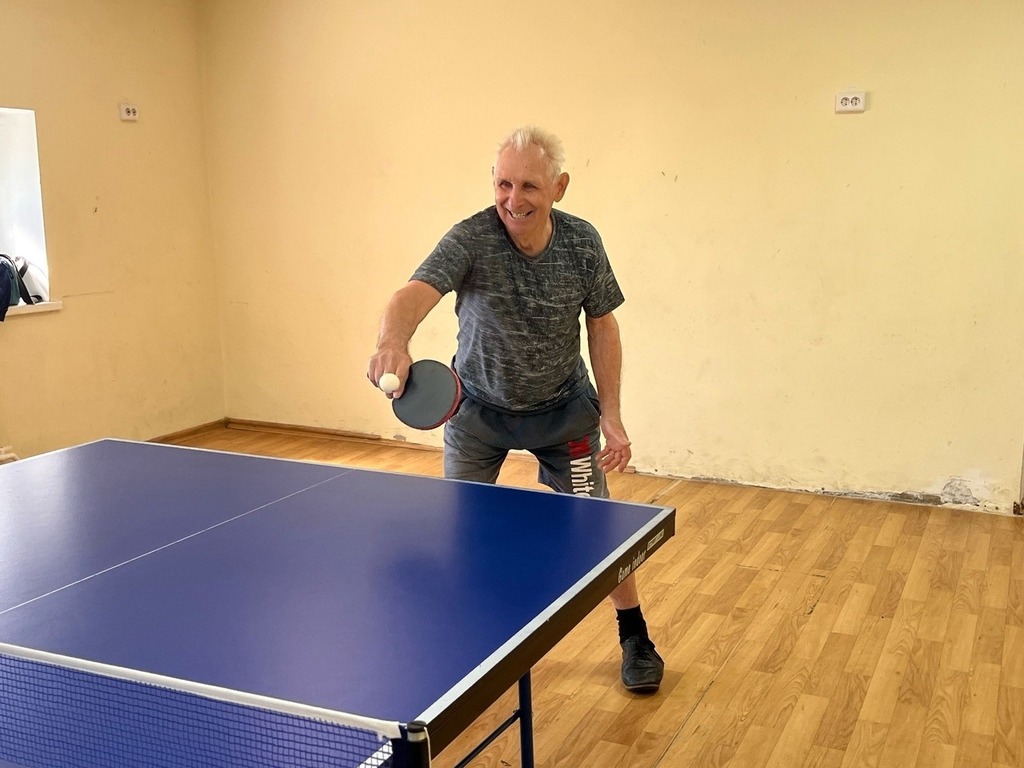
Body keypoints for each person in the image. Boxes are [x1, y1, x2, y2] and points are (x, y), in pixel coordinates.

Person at [367, 126, 664, 693]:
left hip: (564, 415)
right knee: (466, 527)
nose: (513, 199)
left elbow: (602, 325)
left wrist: (611, 413)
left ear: (559, 187)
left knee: (597, 525)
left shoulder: (581, 243)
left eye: (529, 185)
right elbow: (411, 294)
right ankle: (470, 639)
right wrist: (391, 342)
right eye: (503, 183)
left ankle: (635, 634)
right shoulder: (471, 238)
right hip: (476, 415)